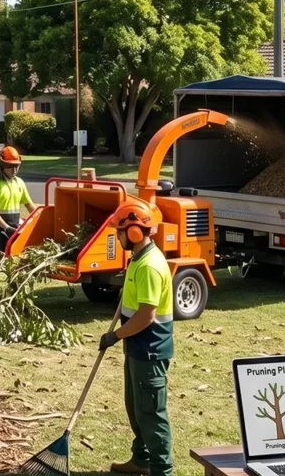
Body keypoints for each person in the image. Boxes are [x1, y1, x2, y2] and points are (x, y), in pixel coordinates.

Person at [98, 203, 174, 476]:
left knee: (151, 414)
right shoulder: (139, 259)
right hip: (137, 347)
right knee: (135, 407)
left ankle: (161, 470)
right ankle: (141, 459)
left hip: (150, 350)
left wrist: (114, 336)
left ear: (132, 233)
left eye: (119, 232)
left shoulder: (150, 266)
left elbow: (145, 317)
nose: (117, 238)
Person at [0, 145, 34, 282]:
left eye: (17, 166)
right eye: (11, 166)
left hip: (14, 228)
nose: (14, 170)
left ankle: (13, 289)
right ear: (2, 165)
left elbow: (29, 205)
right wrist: (6, 227)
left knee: (14, 262)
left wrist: (39, 219)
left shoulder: (20, 183)